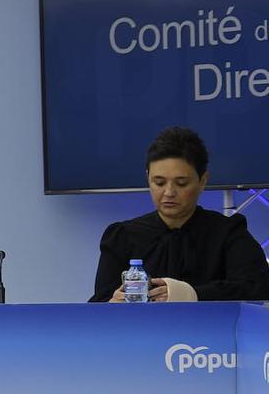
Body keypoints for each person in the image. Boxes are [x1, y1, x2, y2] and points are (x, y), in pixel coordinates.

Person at [90, 126, 269, 302]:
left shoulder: (227, 233)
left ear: (203, 180)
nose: (169, 192)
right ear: (148, 178)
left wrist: (193, 294)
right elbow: (98, 304)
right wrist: (112, 304)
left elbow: (256, 287)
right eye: (159, 183)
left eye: (181, 183)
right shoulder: (123, 236)